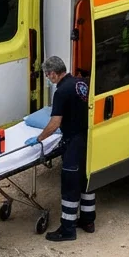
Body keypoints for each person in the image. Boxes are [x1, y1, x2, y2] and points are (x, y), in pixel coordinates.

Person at [25, 55, 95, 242]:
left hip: (74, 141)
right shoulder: (82, 83)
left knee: (70, 185)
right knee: (86, 179)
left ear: (54, 74)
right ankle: (88, 221)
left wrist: (39, 138)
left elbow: (55, 122)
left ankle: (67, 229)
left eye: (48, 76)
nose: (48, 79)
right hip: (91, 138)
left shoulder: (62, 91)